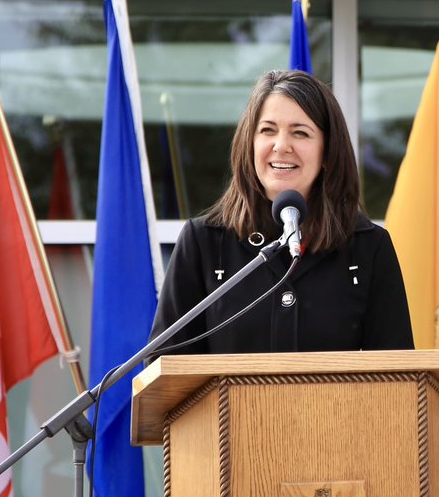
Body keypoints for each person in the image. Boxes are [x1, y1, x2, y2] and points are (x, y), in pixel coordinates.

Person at [149, 69, 414, 355]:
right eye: (268, 131)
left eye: (300, 133)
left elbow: (396, 382)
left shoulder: (368, 247)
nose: (281, 146)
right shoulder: (203, 242)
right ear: (249, 144)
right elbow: (165, 370)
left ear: (327, 152)